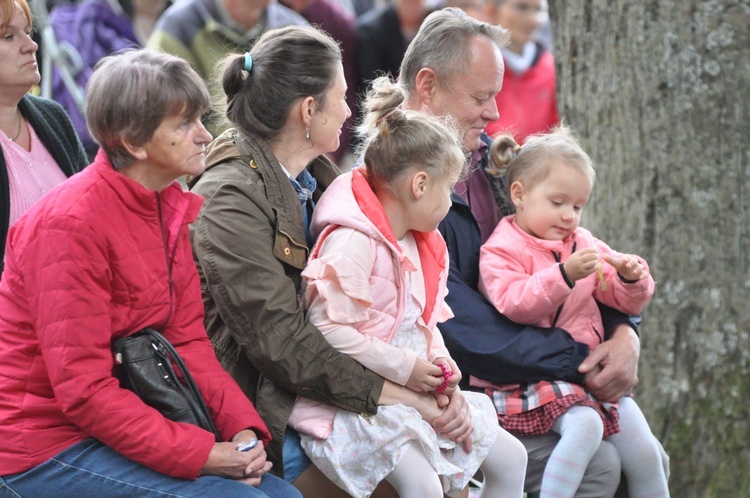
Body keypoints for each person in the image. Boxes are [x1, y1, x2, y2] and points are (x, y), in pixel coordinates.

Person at [189, 26, 475, 497]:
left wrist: (438, 385)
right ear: (307, 110)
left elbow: (389, 313)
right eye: (340, 97)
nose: (348, 110)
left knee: (453, 478)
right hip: (266, 414)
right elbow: (282, 344)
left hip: (324, 395)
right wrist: (410, 396)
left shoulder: (320, 181)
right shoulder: (229, 199)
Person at [0, 48, 301, 498]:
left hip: (110, 424)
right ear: (133, 141)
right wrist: (200, 453)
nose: (204, 135)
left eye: (200, 118)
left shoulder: (166, 204)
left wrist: (240, 432)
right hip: (37, 446)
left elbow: (187, 341)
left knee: (281, 493)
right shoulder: (67, 225)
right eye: (184, 124)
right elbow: (83, 391)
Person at [398, 7, 669, 496]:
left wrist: (626, 332)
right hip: (463, 393)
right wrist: (584, 357)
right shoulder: (400, 183)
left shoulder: (488, 164)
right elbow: (463, 330)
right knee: (603, 464)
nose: (495, 113)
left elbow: (570, 254)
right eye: (481, 97)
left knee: (642, 455)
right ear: (427, 85)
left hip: (542, 370)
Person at [288, 75, 527, 498]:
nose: (450, 202)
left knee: (512, 458)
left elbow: (426, 324)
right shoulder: (351, 242)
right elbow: (326, 331)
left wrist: (445, 378)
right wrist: (409, 370)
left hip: (414, 394)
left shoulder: (420, 242)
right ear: (419, 185)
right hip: (358, 407)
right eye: (447, 190)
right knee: (423, 487)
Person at [477, 128, 669, 497]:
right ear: (519, 194)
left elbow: (620, 299)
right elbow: (513, 303)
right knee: (584, 427)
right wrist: (562, 275)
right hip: (536, 376)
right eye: (558, 202)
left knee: (646, 453)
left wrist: (632, 279)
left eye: (578, 206)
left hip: (590, 378)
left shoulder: (582, 243)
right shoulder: (501, 248)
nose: (569, 216)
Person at [0, 0, 87, 276]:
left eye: (27, 31)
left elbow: (96, 213)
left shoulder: (53, 117)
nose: (31, 45)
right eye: (8, 36)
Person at [483, 0, 558, 142]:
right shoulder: (477, 67)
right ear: (491, 11)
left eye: (538, 9)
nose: (533, 19)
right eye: (521, 7)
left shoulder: (552, 70)